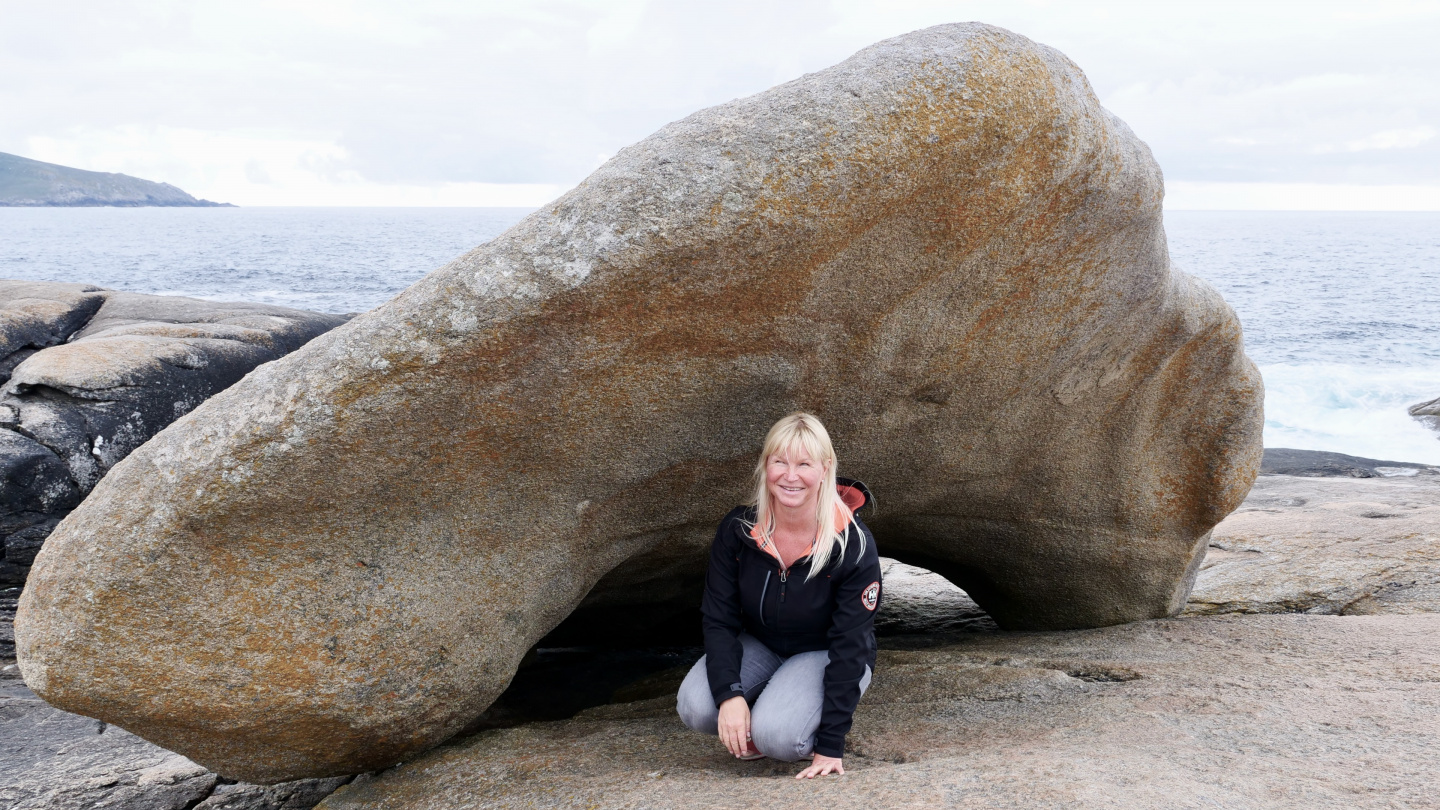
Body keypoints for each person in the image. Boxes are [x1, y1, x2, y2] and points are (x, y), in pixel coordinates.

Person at [676, 412, 881, 779]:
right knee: (697, 707)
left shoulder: (853, 543)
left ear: (825, 468)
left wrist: (830, 745)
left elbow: (850, 643)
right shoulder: (738, 530)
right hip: (763, 644)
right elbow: (719, 618)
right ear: (765, 465)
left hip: (825, 651)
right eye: (780, 462)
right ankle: (765, 706)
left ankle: (782, 718)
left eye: (804, 464)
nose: (790, 476)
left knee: (781, 739)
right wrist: (730, 695)